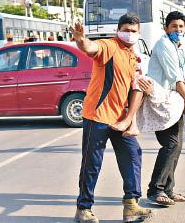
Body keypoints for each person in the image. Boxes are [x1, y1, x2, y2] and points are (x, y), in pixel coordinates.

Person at [70, 13, 153, 223]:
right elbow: (90, 48)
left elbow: (137, 87)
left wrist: (130, 119)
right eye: (126, 30)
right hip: (96, 116)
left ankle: (131, 205)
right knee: (92, 164)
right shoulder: (109, 46)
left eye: (134, 31)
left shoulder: (133, 56)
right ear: (118, 30)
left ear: (139, 33)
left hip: (119, 119)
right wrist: (80, 39)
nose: (130, 34)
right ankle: (83, 209)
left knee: (133, 154)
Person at [141, 11, 185, 206]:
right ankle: (155, 189)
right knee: (171, 144)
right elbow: (175, 77)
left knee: (177, 146)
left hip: (173, 100)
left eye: (181, 27)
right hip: (161, 101)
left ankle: (168, 189)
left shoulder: (180, 46)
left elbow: (181, 77)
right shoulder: (164, 45)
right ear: (166, 28)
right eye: (174, 26)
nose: (178, 30)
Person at [110, 76, 185, 136]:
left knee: (143, 80)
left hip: (171, 104)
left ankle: (129, 122)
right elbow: (179, 79)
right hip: (170, 108)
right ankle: (132, 125)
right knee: (141, 90)